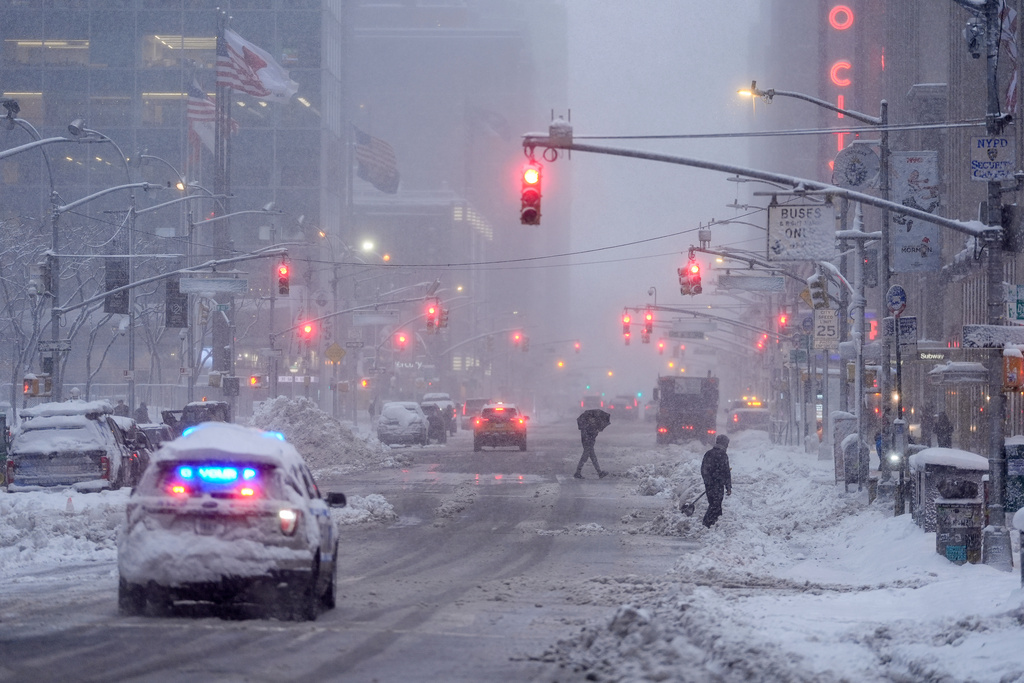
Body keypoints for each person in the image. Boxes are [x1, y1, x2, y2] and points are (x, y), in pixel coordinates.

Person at [700, 434, 732, 528]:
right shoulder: (723, 455)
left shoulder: (709, 453)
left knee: (713, 503)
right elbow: (726, 472)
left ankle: (712, 523)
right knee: (716, 504)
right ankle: (708, 523)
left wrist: (707, 481)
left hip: (709, 484)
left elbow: (703, 469)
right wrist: (728, 486)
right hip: (718, 484)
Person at [574, 411, 608, 479]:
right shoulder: (586, 426)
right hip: (588, 443)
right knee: (585, 457)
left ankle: (599, 472)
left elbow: (592, 435)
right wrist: (594, 433)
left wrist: (596, 431)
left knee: (593, 458)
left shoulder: (591, 425)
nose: (592, 420)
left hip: (589, 443)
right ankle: (578, 472)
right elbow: (587, 436)